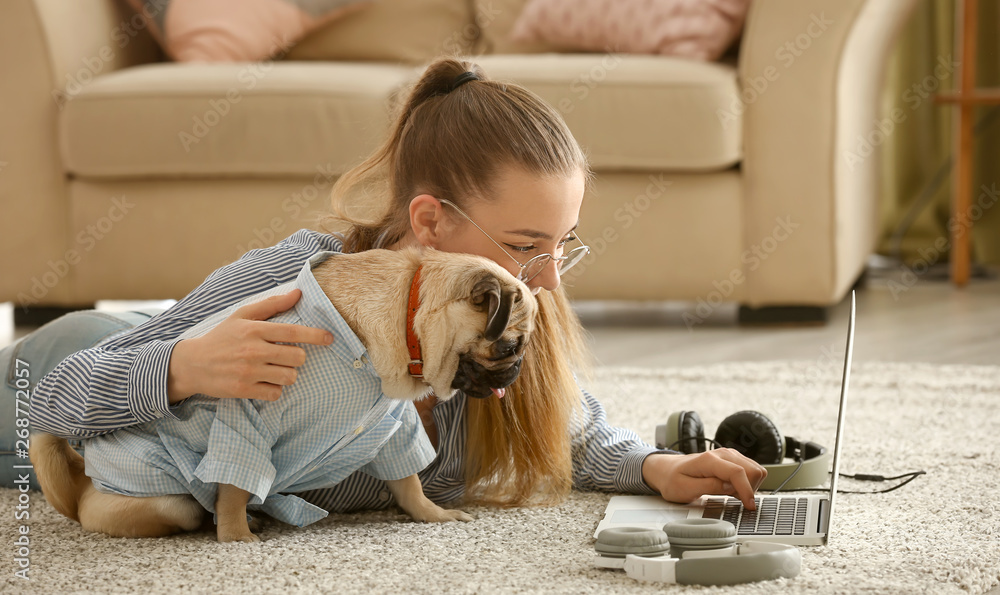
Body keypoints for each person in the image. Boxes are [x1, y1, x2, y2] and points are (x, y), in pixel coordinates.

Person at [16, 57, 766, 518]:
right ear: (430, 222)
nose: (543, 278)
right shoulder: (298, 279)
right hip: (96, 351)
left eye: (562, 246)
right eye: (524, 246)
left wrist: (655, 466)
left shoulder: (502, 314)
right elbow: (53, 398)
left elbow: (569, 420)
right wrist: (184, 366)